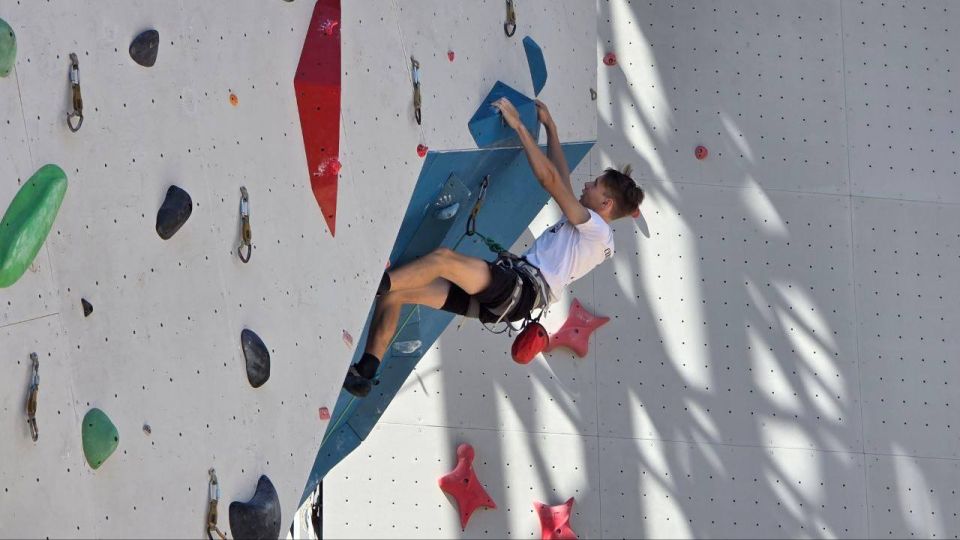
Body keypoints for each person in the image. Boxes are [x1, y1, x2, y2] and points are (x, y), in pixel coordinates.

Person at [343, 97, 645, 396]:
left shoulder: (599, 231)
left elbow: (550, 180)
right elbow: (561, 178)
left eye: (594, 185)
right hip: (509, 301)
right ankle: (365, 372)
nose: (586, 186)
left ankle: (369, 286)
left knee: (441, 260)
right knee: (398, 293)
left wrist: (519, 127)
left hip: (520, 289)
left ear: (606, 204)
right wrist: (551, 128)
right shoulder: (590, 231)